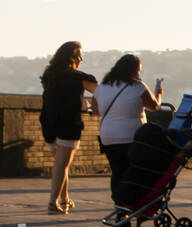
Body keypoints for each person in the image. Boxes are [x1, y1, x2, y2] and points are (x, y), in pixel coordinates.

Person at [92, 54, 163, 199]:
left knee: (117, 171)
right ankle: (131, 202)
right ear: (134, 70)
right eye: (139, 70)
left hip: (108, 137)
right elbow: (154, 106)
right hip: (132, 137)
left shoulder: (101, 88)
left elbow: (96, 112)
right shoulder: (138, 87)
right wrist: (159, 94)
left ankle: (119, 204)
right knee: (134, 171)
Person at [39, 41, 98, 214]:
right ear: (72, 57)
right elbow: (101, 93)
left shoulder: (50, 75)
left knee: (60, 163)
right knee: (61, 165)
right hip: (68, 123)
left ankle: (65, 198)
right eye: (79, 55)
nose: (81, 58)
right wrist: (93, 108)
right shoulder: (80, 77)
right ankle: (52, 202)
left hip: (48, 122)